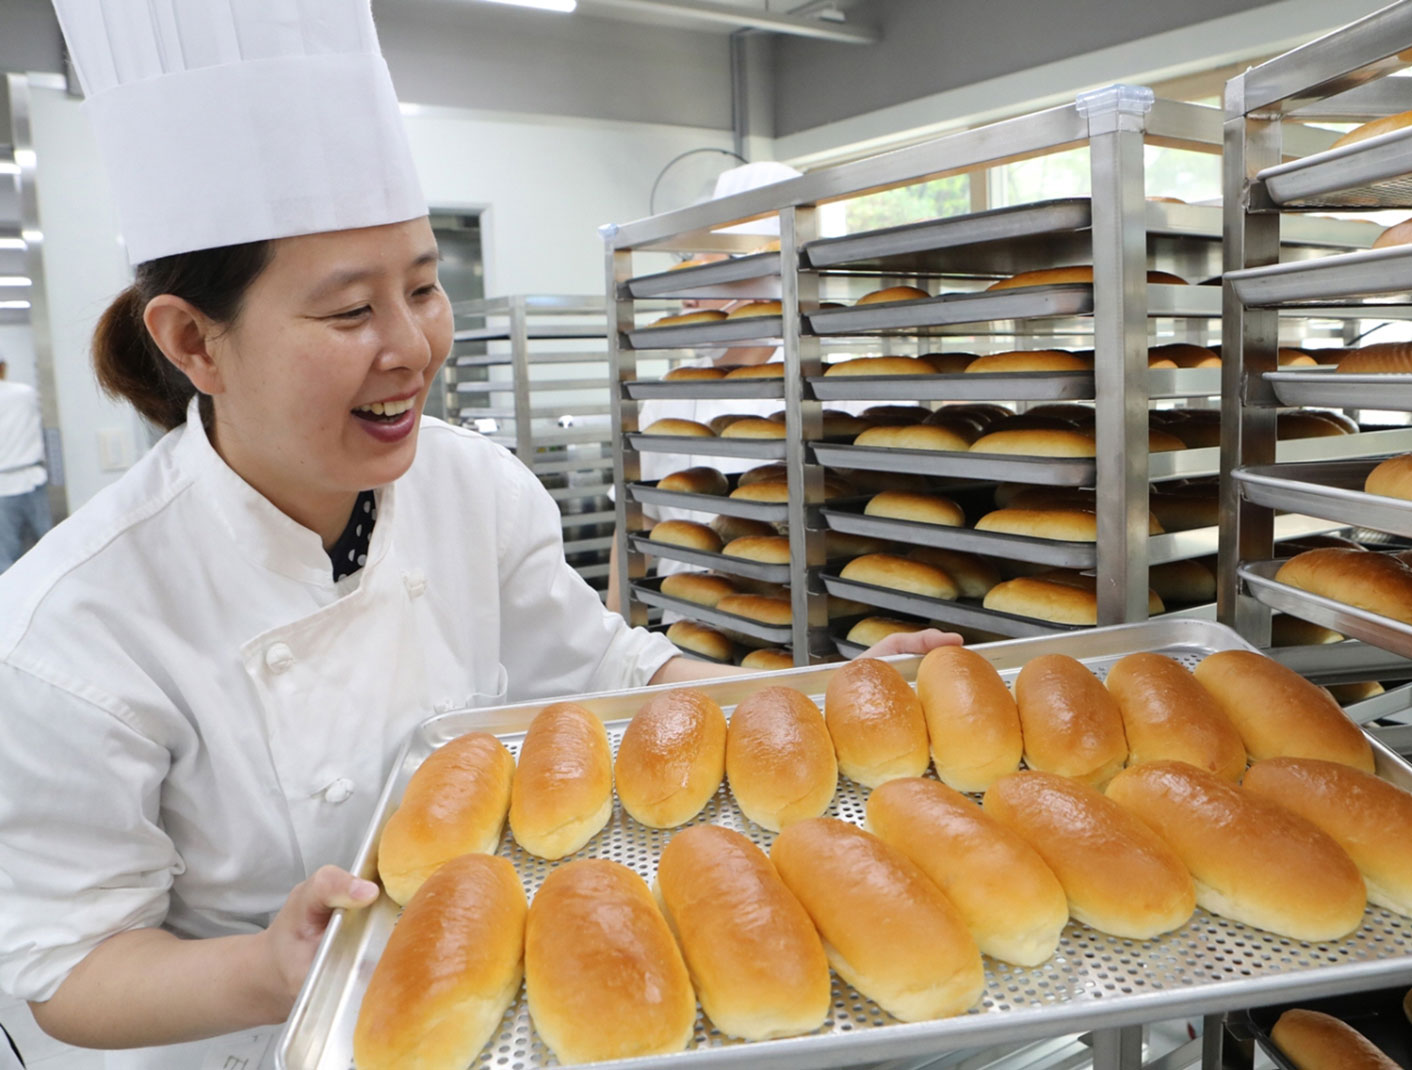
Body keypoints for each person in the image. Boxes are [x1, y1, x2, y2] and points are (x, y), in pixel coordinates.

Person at [0, 3, 955, 1068]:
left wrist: (824, 700)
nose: (411, 347)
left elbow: (607, 670)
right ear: (193, 343)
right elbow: (70, 969)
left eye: (422, 287)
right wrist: (268, 966)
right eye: (349, 312)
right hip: (248, 1042)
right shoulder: (71, 625)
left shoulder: (472, 484)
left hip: (495, 1007)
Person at [0, 358, 52, 572]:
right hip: (33, 479)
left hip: (2, 487)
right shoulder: (25, 393)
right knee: (51, 548)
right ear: (3, 368)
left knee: (5, 558)